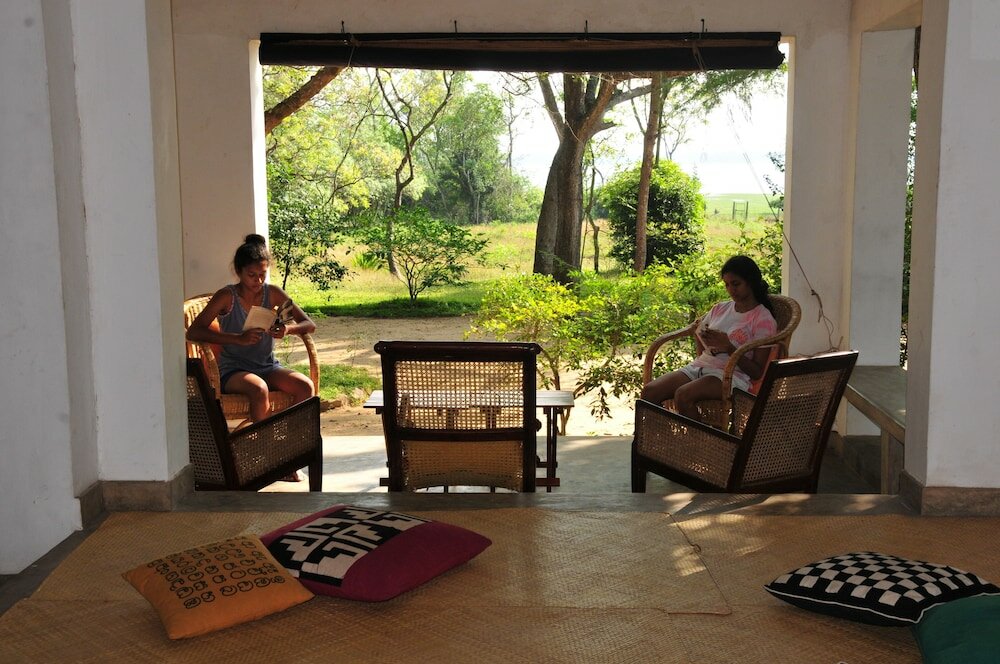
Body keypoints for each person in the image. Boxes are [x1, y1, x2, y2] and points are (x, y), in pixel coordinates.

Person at [186, 234, 316, 424]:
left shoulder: (272, 293)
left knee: (305, 386)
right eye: (252, 275)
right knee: (259, 389)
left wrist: (286, 330)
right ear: (239, 272)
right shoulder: (226, 296)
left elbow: (309, 324)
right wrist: (238, 338)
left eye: (263, 274)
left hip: (268, 366)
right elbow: (194, 331)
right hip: (233, 370)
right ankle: (265, 444)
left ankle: (290, 440)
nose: (258, 280)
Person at [641, 255, 778, 419]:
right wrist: (704, 351)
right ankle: (659, 441)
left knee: (683, 395)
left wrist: (728, 347)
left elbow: (756, 372)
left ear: (751, 281)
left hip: (732, 376)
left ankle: (701, 443)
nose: (731, 290)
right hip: (701, 366)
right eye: (727, 285)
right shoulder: (720, 308)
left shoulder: (762, 318)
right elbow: (699, 333)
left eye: (736, 284)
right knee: (650, 392)